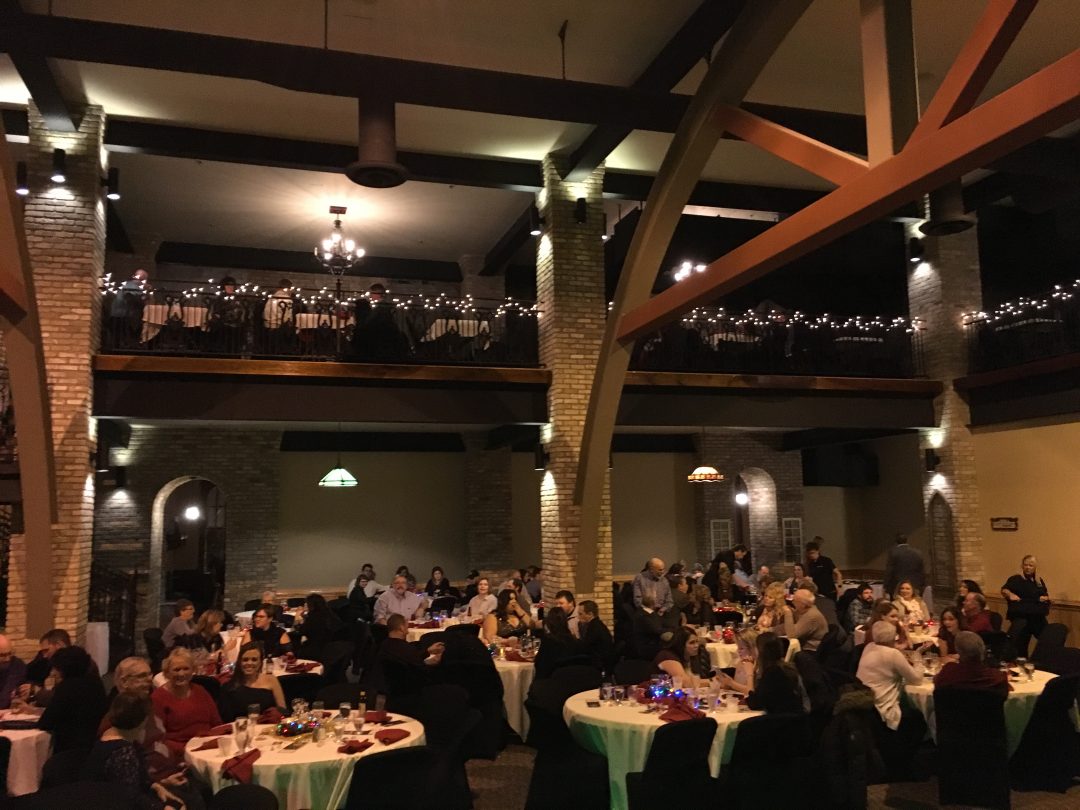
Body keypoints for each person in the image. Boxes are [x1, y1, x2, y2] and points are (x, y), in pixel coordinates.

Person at [84, 693, 193, 810]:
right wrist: (161, 808)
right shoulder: (123, 753)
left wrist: (155, 785)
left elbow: (135, 782)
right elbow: (128, 797)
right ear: (142, 721)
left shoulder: (110, 734)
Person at [856, 621, 927, 779]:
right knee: (919, 720)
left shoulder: (869, 647)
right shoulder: (892, 655)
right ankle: (902, 763)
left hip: (866, 705)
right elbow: (916, 679)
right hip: (882, 709)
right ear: (893, 637)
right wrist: (918, 659)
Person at [151, 648, 222, 759]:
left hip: (208, 748)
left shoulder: (200, 691)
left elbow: (216, 722)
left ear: (193, 670)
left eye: (186, 669)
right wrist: (188, 750)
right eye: (176, 670)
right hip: (179, 754)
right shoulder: (158, 698)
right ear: (167, 672)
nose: (182, 673)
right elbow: (158, 738)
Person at [35, 646, 108, 753]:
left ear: (64, 668)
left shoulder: (66, 687)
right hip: (95, 745)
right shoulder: (96, 683)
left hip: (69, 749)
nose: (53, 672)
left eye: (56, 668)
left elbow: (46, 723)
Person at [718, 632, 807, 714]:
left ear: (762, 651)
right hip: (795, 720)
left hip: (783, 724)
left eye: (755, 647)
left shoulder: (773, 673)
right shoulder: (786, 668)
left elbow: (754, 702)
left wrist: (749, 674)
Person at [219, 642, 286, 720]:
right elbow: (226, 720)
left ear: (260, 662)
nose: (249, 663)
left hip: (269, 728)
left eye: (254, 659)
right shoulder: (229, 687)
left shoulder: (271, 680)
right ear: (239, 662)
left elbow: (282, 711)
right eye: (245, 660)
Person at [1001, 554, 1051, 658]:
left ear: (1035, 567)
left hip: (1037, 617)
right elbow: (1004, 590)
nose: (1028, 567)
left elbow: (1045, 594)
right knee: (1021, 647)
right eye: (1025, 565)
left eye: (1031, 565)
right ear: (1022, 566)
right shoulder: (1016, 579)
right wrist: (1010, 595)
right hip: (1022, 618)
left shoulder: (1038, 580)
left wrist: (1045, 598)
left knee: (1047, 641)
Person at [933, 631, 1009, 697]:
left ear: (958, 651)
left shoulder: (947, 673)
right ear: (982, 650)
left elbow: (937, 683)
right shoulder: (997, 678)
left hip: (952, 713)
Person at [21, 627, 73, 701]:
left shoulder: (77, 665)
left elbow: (66, 698)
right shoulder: (49, 662)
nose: (44, 655)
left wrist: (38, 691)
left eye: (46, 650)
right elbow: (29, 673)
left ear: (59, 645)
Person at [533, 607, 584, 679]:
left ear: (549, 623)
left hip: (552, 681)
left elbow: (539, 664)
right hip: (571, 680)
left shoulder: (548, 641)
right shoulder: (574, 640)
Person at [883, 533, 926, 599]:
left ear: (896, 541)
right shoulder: (918, 552)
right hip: (915, 586)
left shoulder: (893, 553)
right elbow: (922, 571)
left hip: (898, 587)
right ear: (906, 540)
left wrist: (886, 587)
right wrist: (922, 586)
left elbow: (889, 571)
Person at [577, 600, 614, 672]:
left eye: (580, 614)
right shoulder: (597, 624)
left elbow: (585, 647)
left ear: (590, 614)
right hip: (603, 661)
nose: (578, 617)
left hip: (599, 665)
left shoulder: (594, 628)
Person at [630, 594, 665, 661]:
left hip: (651, 643)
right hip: (648, 646)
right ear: (653, 604)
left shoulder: (645, 612)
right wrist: (673, 630)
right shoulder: (643, 616)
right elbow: (657, 630)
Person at [0, 634, 27, 709]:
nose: (7, 659)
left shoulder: (16, 664)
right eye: (2, 655)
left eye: (10, 654)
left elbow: (7, 694)